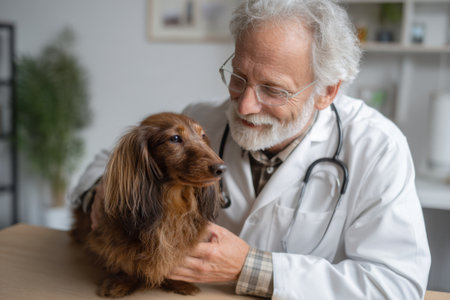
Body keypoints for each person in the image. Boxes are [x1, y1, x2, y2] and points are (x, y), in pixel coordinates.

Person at [70, 0, 431, 299]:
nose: (244, 107)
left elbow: (397, 285)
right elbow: (108, 161)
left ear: (326, 91)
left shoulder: (378, 148)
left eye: (273, 90)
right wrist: (98, 195)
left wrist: (254, 268)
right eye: (239, 77)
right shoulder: (200, 119)